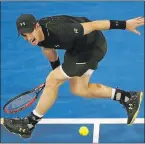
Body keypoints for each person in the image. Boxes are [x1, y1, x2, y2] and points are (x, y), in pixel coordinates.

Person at [1, 14, 144, 138]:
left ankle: (28, 124)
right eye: (24, 35)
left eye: (29, 32)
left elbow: (94, 25)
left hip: (92, 47)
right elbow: (48, 49)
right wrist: (57, 72)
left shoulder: (62, 30)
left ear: (37, 26)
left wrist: (125, 24)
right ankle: (128, 97)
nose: (28, 38)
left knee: (52, 80)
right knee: (79, 89)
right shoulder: (39, 36)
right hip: (76, 49)